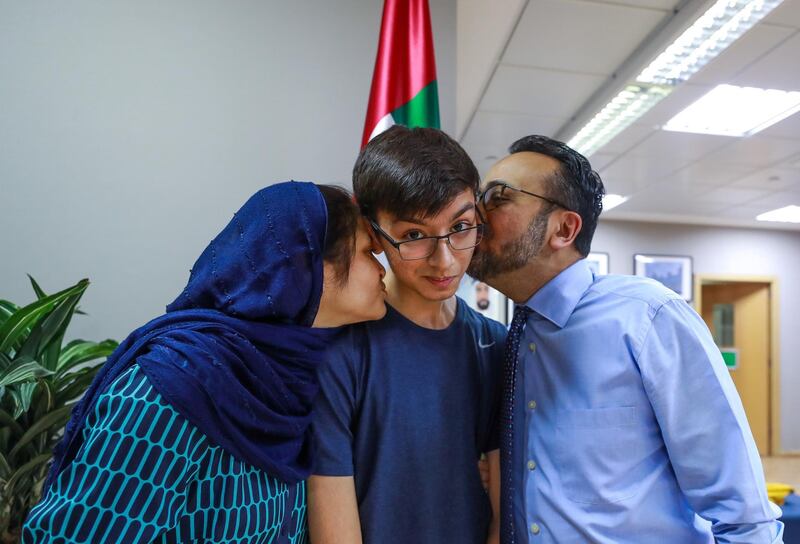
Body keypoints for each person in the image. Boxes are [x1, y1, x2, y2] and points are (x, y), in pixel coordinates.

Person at [23, 181, 387, 543]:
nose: (383, 269)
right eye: (370, 253)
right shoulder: (168, 390)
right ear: (311, 265)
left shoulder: (292, 378)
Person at [468, 135, 784, 543]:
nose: (475, 213)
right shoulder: (511, 337)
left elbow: (743, 514)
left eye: (497, 197)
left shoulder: (647, 317)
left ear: (564, 228)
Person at [308, 126, 506, 544]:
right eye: (414, 236)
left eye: (462, 226)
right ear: (373, 231)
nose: (445, 260)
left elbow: (500, 517)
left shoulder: (494, 346)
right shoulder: (340, 351)